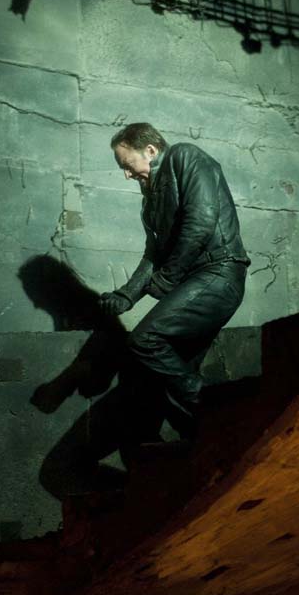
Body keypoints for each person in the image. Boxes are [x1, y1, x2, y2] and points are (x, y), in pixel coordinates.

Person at [99, 123, 250, 440]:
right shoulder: (150, 201)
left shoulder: (184, 156)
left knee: (145, 341)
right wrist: (126, 296)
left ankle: (221, 414)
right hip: (196, 281)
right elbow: (153, 255)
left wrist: (168, 278)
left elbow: (201, 221)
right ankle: (207, 440)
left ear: (150, 150)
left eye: (127, 165)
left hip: (219, 272)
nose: (126, 175)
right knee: (170, 374)